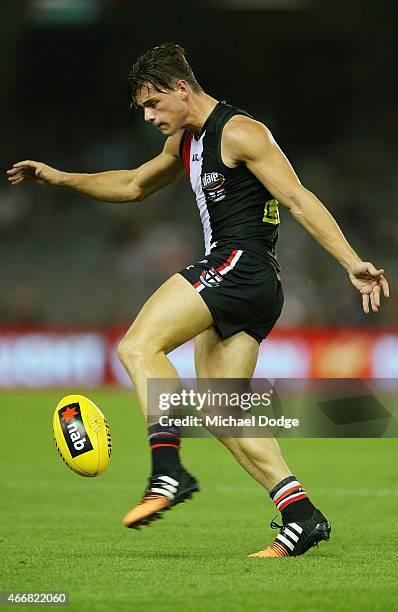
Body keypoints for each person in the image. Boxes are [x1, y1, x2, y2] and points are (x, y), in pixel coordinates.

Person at [7, 43, 389, 558]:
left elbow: (298, 197)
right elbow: (134, 184)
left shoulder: (240, 132)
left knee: (137, 347)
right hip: (250, 285)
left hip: (239, 266)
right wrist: (61, 177)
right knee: (223, 410)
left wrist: (351, 262)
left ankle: (167, 470)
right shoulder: (187, 141)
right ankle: (301, 515)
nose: (147, 116)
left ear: (180, 89)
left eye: (152, 104)